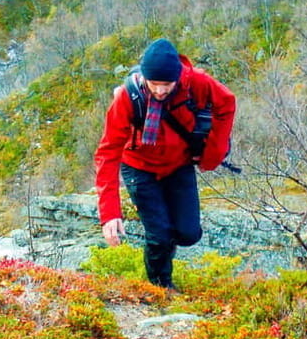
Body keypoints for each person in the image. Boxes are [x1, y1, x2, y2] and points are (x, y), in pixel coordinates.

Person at [94, 38, 236, 289]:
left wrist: (212, 155)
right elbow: (107, 152)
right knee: (159, 235)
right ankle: (160, 287)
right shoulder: (129, 96)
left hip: (178, 163)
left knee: (188, 234)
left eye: (167, 85)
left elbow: (227, 103)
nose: (160, 91)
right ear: (145, 78)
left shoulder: (198, 83)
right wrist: (110, 213)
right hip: (138, 165)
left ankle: (162, 255)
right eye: (154, 84)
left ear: (178, 77)